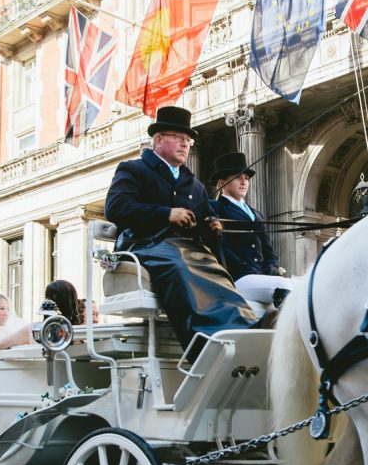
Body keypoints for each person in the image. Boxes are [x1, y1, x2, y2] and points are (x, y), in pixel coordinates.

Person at [103, 106, 260, 352]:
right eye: (178, 138)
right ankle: (207, 342)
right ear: (158, 140)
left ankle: (245, 326)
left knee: (216, 270)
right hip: (147, 245)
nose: (185, 144)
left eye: (188, 140)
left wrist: (211, 227)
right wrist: (166, 214)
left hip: (187, 249)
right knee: (180, 264)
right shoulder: (133, 170)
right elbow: (116, 208)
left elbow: (202, 221)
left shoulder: (193, 184)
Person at [208, 152, 293, 306]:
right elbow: (220, 246)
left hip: (260, 279)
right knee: (284, 285)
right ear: (221, 183)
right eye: (238, 177)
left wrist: (271, 267)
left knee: (299, 286)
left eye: (246, 178)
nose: (244, 182)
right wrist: (248, 268)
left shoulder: (256, 214)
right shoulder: (214, 207)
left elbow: (268, 250)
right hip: (236, 278)